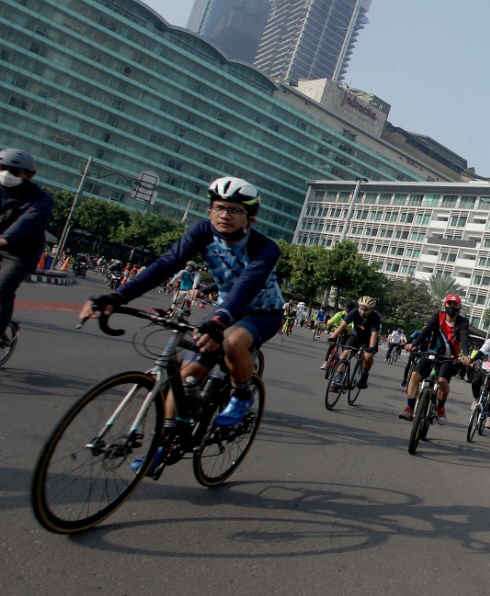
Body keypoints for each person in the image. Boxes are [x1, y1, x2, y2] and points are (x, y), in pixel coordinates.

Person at [79, 177, 285, 458]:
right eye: (220, 207)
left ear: (250, 217)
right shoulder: (201, 232)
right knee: (186, 374)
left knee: (233, 342)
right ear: (211, 210)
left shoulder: (265, 247)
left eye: (235, 210)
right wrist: (118, 297)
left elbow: (245, 287)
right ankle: (163, 445)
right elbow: (166, 264)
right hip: (226, 308)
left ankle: (241, 394)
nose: (225, 215)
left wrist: (217, 321)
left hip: (262, 311)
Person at [0, 148, 55, 348]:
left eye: (14, 171)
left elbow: (24, 224)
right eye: (2, 167)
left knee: (2, 287)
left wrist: (5, 239)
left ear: (29, 175)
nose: (6, 173)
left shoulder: (41, 199)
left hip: (20, 252)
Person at [401, 293, 471, 423]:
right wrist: (413, 345)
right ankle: (410, 408)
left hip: (449, 359)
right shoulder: (438, 316)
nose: (452, 307)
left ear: (459, 307)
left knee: (443, 381)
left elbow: (465, 338)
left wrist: (466, 355)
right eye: (450, 304)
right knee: (415, 375)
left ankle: (440, 407)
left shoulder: (463, 322)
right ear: (445, 304)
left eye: (455, 305)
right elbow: (426, 331)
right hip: (431, 353)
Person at [329, 296, 381, 389]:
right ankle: (339, 378)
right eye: (361, 308)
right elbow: (342, 325)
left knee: (368, 356)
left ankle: (364, 374)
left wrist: (371, 348)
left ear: (372, 309)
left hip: (369, 339)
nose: (363, 312)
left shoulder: (375, 317)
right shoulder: (354, 312)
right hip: (356, 336)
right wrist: (333, 337)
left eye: (366, 310)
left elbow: (374, 334)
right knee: (345, 354)